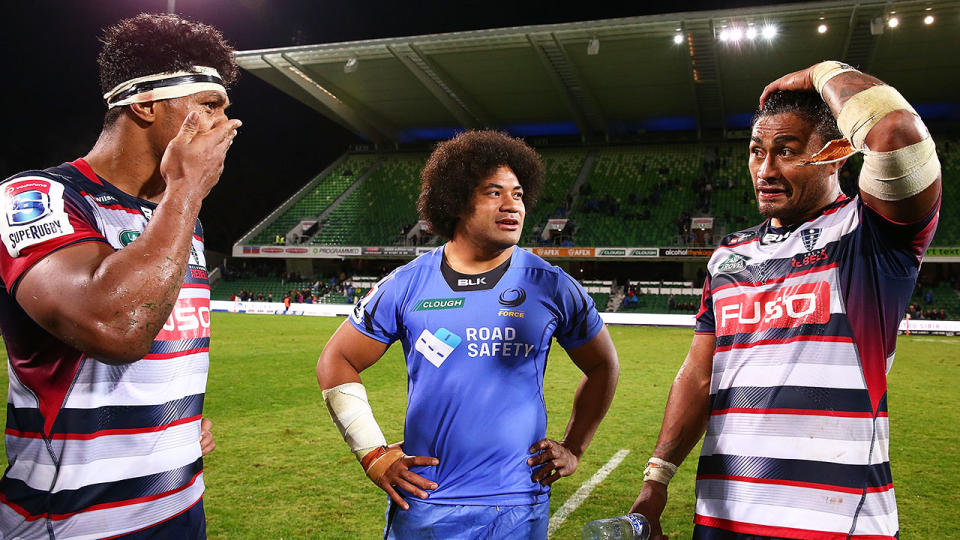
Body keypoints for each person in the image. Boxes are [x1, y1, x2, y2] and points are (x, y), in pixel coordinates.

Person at [630, 61, 940, 539]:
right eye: (757, 152)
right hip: (720, 519)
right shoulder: (728, 256)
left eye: (786, 152)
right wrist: (657, 478)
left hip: (835, 524)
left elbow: (897, 134)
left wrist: (824, 72)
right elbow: (699, 372)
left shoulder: (870, 234)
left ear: (836, 154)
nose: (765, 170)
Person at [0, 13, 241, 538]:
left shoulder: (181, 220)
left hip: (180, 509)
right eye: (208, 105)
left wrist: (170, 429)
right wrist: (185, 191)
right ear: (145, 103)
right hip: (74, 522)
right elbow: (115, 327)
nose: (227, 124)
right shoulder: (37, 198)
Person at [317, 130, 619, 539]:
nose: (512, 205)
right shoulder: (406, 285)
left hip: (519, 501)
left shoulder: (551, 284)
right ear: (457, 201)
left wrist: (575, 447)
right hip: (428, 504)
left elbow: (603, 365)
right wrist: (372, 454)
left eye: (518, 193)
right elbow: (337, 360)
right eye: (494, 193)